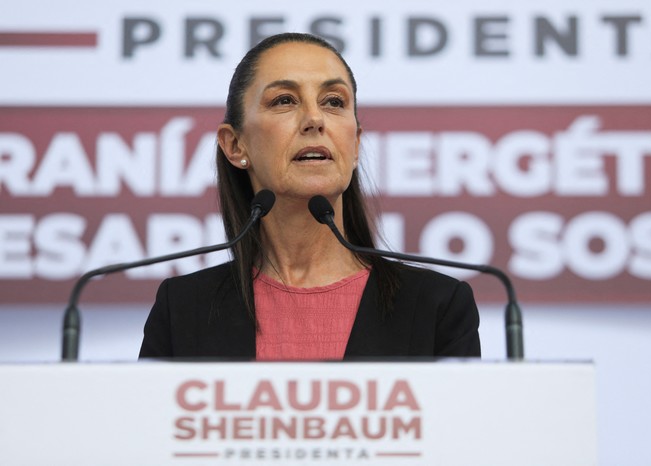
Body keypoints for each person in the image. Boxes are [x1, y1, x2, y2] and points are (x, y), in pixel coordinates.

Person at [139, 32, 480, 360]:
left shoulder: (439, 306)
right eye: (284, 100)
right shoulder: (182, 309)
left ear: (356, 143)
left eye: (334, 102)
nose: (315, 119)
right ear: (234, 144)